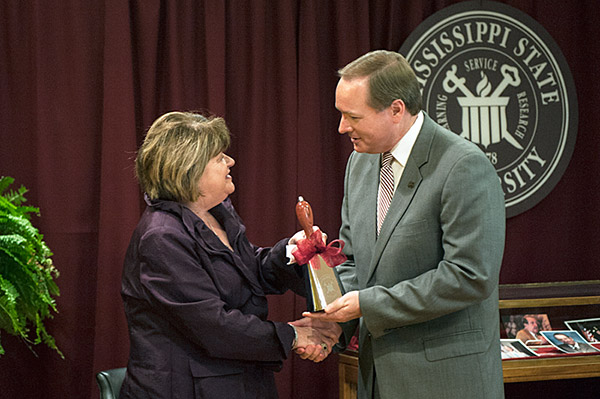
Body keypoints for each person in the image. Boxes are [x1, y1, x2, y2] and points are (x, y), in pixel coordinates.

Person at [304, 50, 506, 398]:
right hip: (378, 377)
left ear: (396, 110)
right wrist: (333, 321)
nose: (342, 127)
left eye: (353, 116)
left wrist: (368, 305)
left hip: (445, 381)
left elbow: (470, 275)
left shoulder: (462, 166)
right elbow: (355, 263)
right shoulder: (359, 164)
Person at [120, 111, 340, 398]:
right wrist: (293, 335)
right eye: (219, 157)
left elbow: (249, 272)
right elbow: (214, 327)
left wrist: (291, 252)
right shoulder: (162, 237)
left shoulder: (218, 212)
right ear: (190, 168)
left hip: (237, 382)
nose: (230, 161)